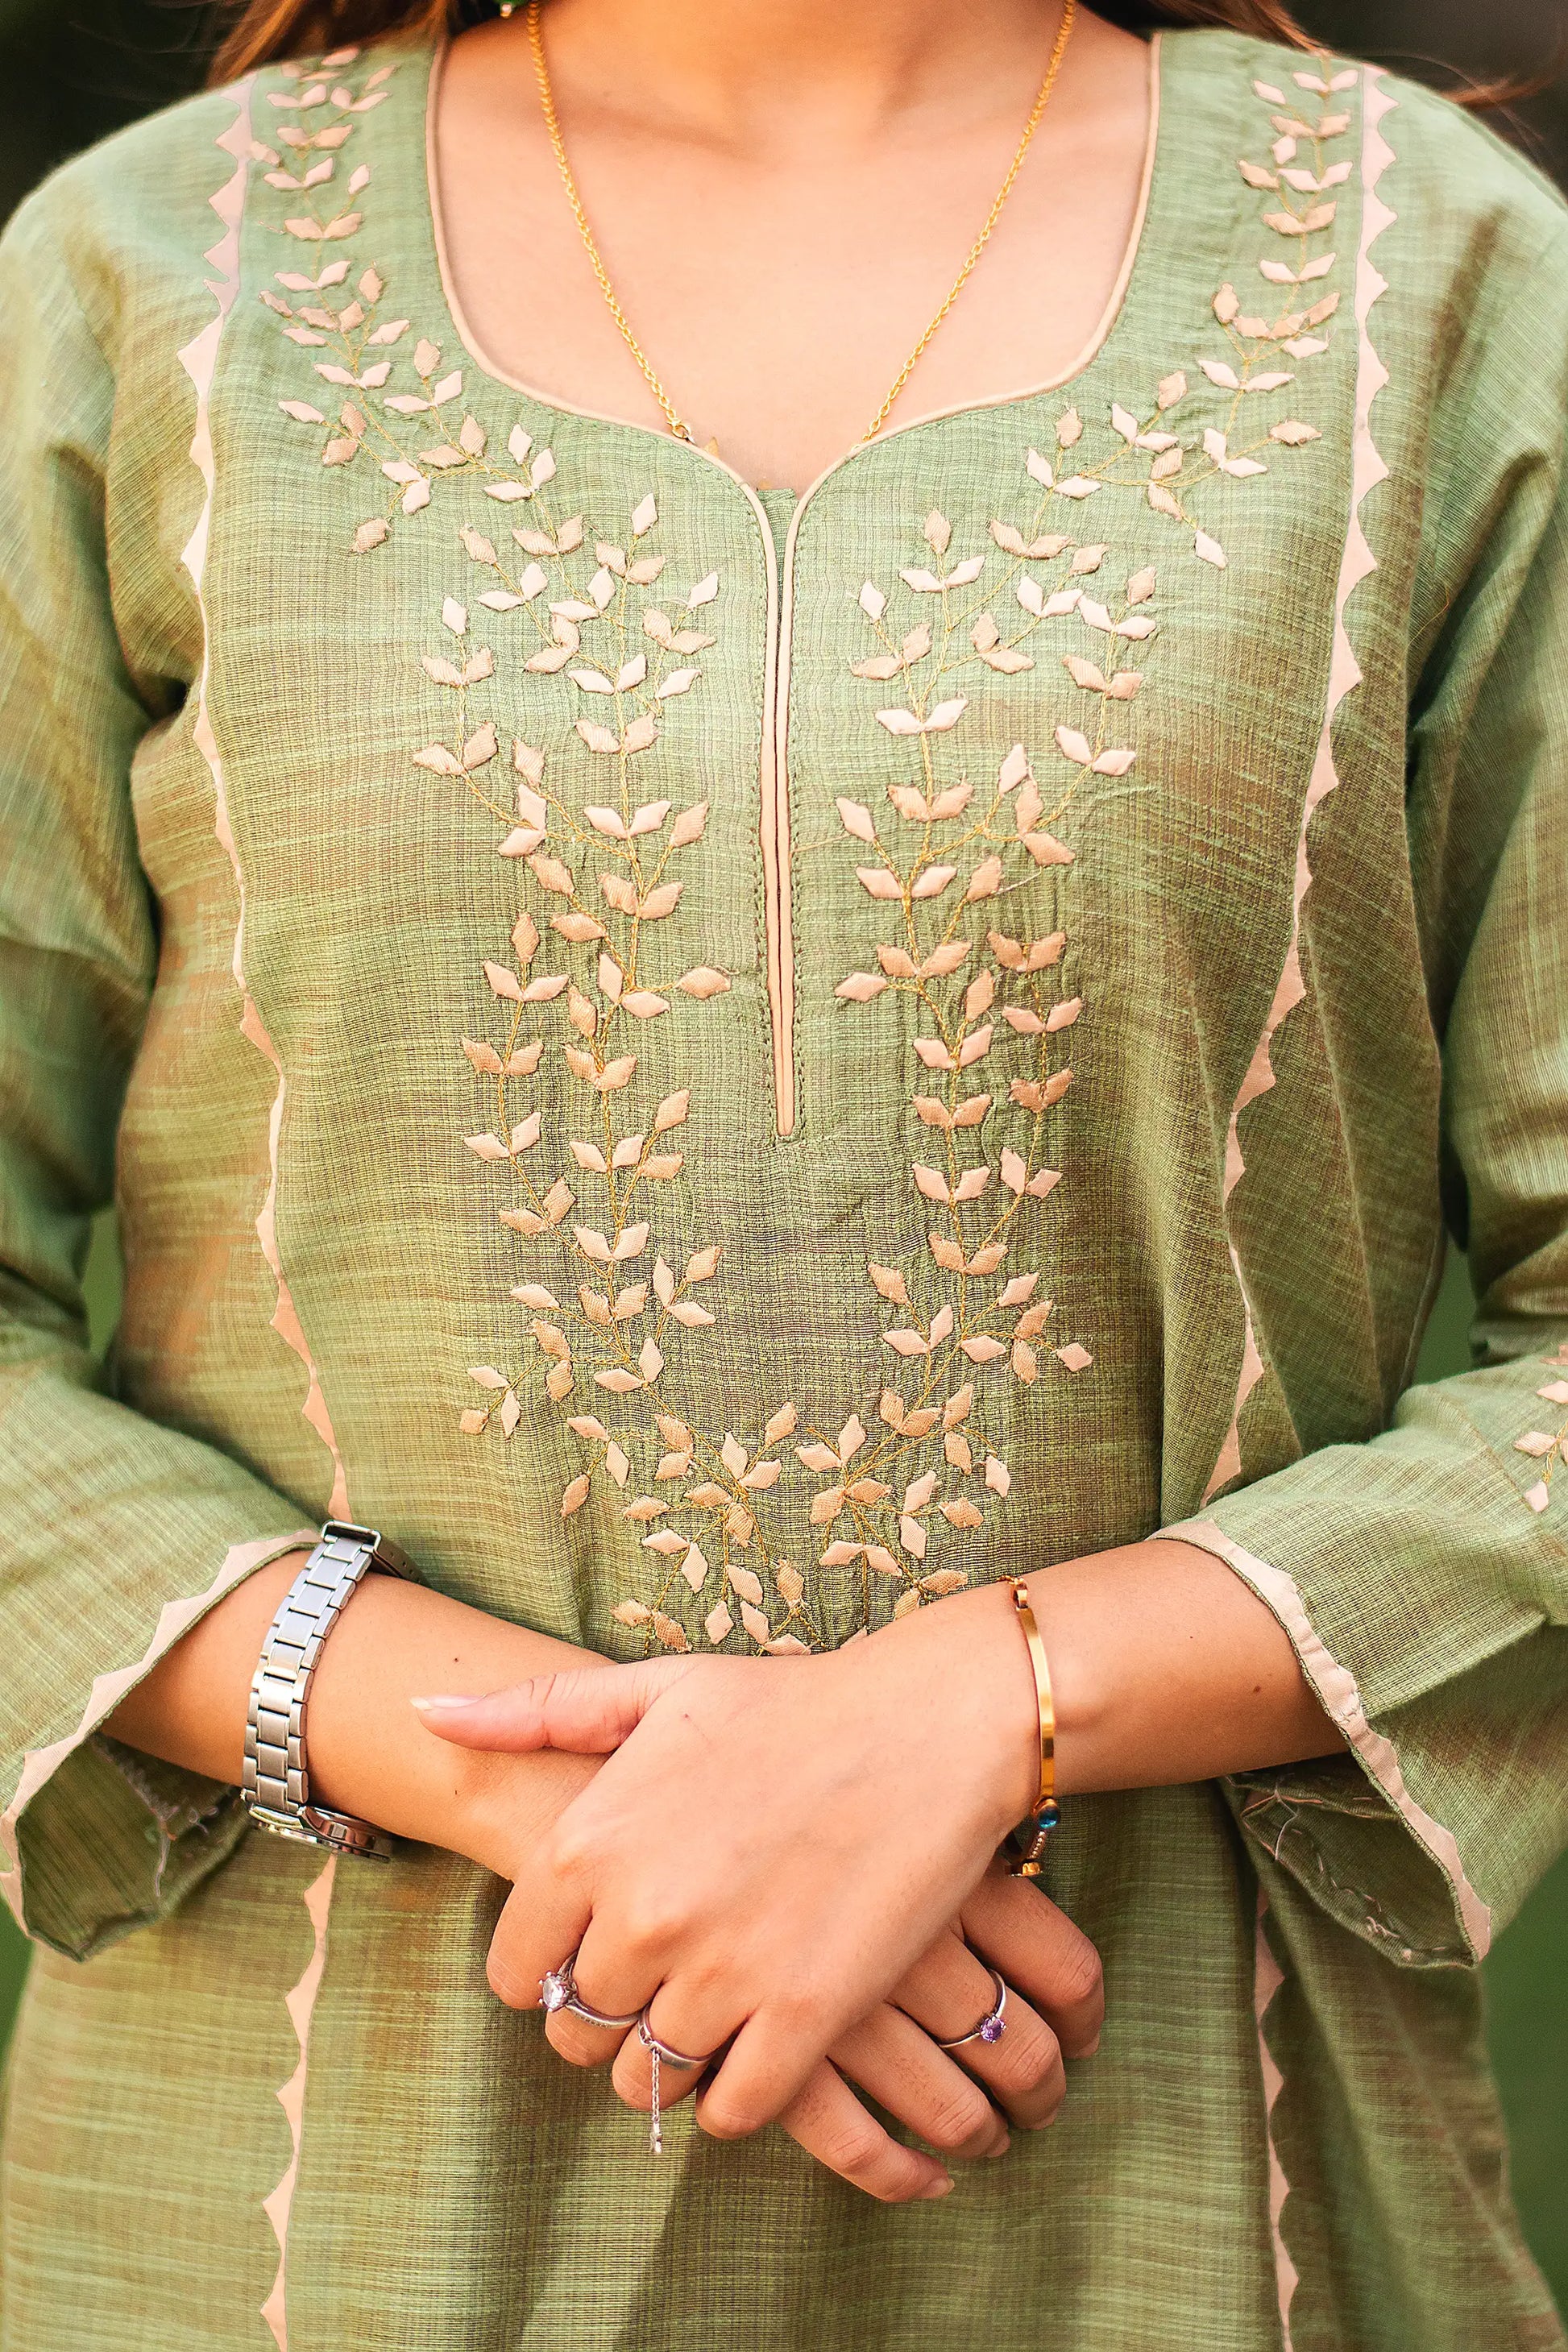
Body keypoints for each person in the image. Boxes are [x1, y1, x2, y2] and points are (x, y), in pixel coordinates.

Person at [2, 0, 1566, 2342]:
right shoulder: (150, 277)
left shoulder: (1424, 278)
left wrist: (978, 1709)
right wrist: (584, 1807)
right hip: (305, 2212)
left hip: (1186, 2195)